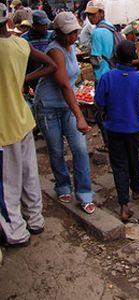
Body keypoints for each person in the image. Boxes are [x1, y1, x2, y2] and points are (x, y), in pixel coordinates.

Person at [2, 3, 60, 247]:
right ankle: (35, 220)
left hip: (4, 128)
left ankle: (16, 233)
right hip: (24, 120)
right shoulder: (20, 44)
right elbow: (51, 65)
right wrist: (23, 78)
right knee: (28, 175)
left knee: (7, 184)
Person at [35, 12, 94, 214]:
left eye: (75, 32)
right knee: (57, 150)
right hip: (48, 106)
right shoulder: (54, 51)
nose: (73, 36)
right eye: (69, 33)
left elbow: (71, 83)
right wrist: (80, 115)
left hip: (68, 104)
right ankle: (62, 185)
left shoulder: (71, 48)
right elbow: (64, 85)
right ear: (57, 33)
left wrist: (75, 111)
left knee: (80, 149)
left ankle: (85, 193)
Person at [94, 40, 139, 221]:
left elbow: (100, 102)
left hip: (113, 127)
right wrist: (138, 110)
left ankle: (123, 205)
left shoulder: (107, 77)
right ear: (134, 58)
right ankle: (136, 189)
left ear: (116, 57)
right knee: (133, 156)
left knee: (119, 164)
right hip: (133, 127)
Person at [87, 0, 119, 81]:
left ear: (102, 13)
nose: (90, 17)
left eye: (93, 14)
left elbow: (96, 60)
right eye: (88, 14)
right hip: (113, 69)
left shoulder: (97, 32)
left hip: (103, 74)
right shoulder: (110, 26)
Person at [21, 10, 52, 88]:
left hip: (49, 79)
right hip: (32, 79)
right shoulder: (24, 39)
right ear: (33, 24)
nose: (45, 27)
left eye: (46, 24)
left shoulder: (51, 37)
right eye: (41, 25)